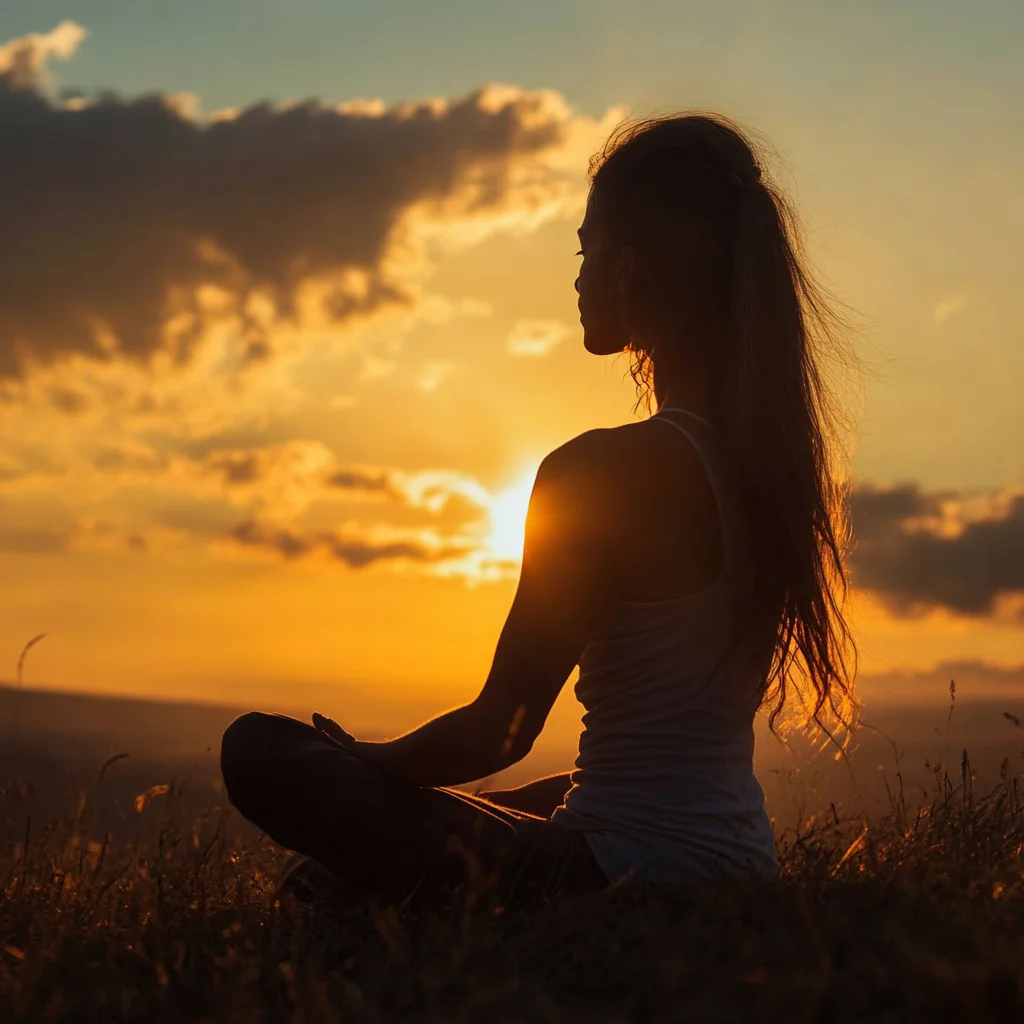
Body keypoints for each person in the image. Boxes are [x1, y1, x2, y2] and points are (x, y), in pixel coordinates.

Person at [220, 112, 857, 904]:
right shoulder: (769, 468)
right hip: (736, 862)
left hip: (620, 876)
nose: (579, 278)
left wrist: (365, 766)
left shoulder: (603, 471)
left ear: (628, 268)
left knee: (257, 750)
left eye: (586, 252)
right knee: (363, 865)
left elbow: (503, 729)